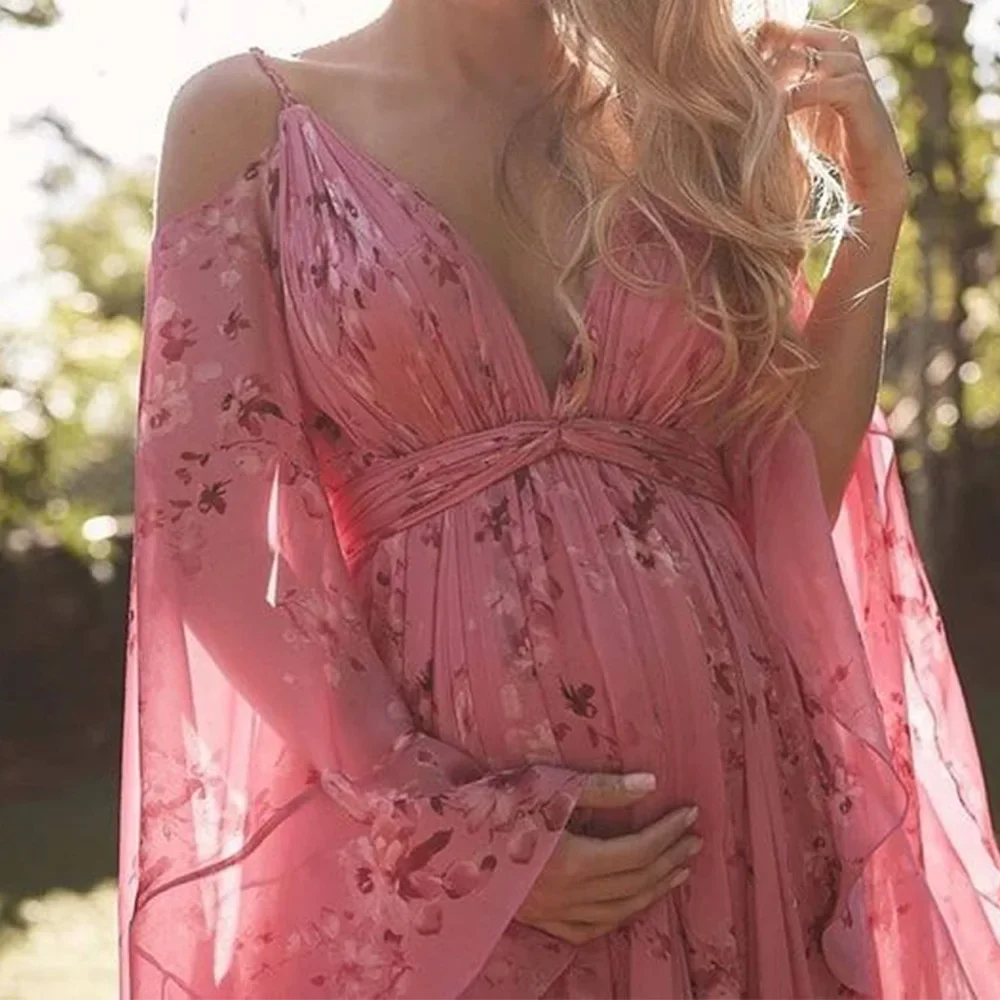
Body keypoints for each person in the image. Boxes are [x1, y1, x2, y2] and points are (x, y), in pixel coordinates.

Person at [118, 1, 1000, 997]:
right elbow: (208, 543)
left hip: (734, 810)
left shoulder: (694, 123)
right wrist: (445, 830)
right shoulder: (251, 116)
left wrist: (871, 216)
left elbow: (784, 507)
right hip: (438, 853)